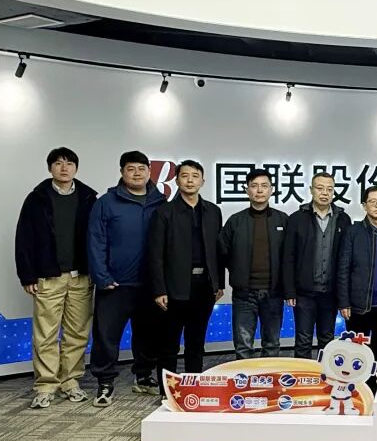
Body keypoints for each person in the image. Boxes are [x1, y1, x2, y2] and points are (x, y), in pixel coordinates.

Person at [15, 147, 98, 409]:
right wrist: (27, 274)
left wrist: (96, 271)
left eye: (69, 163)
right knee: (46, 334)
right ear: (50, 167)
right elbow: (24, 238)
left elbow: (97, 238)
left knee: (77, 333)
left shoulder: (89, 198)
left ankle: (70, 381)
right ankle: (46, 385)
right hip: (48, 276)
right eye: (58, 163)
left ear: (76, 168)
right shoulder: (36, 199)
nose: (64, 168)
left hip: (80, 277)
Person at [87, 150, 166, 406]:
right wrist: (102, 276)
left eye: (142, 169)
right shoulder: (106, 203)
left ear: (149, 172)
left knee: (148, 334)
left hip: (150, 284)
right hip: (115, 284)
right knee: (106, 335)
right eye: (131, 169)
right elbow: (95, 241)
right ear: (122, 172)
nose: (137, 173)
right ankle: (104, 382)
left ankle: (143, 376)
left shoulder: (161, 202)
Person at [146, 160, 224, 392]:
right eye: (185, 176)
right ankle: (166, 391)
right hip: (174, 286)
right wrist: (159, 289)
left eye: (195, 176)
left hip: (204, 286)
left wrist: (219, 283)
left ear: (202, 181)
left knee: (196, 342)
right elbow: (155, 254)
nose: (190, 180)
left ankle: (194, 388)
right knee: (169, 344)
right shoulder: (164, 212)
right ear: (177, 180)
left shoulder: (213, 211)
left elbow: (218, 251)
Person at [218, 168, 288, 359]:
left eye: (264, 186)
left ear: (271, 190)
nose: (259, 190)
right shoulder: (235, 221)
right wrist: (237, 272)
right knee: (243, 347)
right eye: (254, 186)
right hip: (244, 294)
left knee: (272, 344)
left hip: (274, 293)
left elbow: (290, 257)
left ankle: (269, 378)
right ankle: (244, 378)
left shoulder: (283, 220)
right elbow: (223, 253)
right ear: (247, 190)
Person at [284, 172, 352, 360]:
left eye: (329, 189)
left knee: (327, 339)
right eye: (320, 188)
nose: (325, 193)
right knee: (303, 340)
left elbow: (346, 259)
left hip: (330, 292)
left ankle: (325, 375)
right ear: (311, 190)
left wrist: (343, 295)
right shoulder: (297, 219)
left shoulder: (343, 219)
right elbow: (288, 257)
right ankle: (303, 376)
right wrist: (289, 291)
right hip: (304, 293)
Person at [337, 185, 377, 384]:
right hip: (358, 306)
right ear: (364, 205)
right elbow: (343, 268)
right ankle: (356, 391)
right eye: (373, 202)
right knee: (357, 354)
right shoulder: (353, 232)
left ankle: (376, 391)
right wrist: (344, 302)